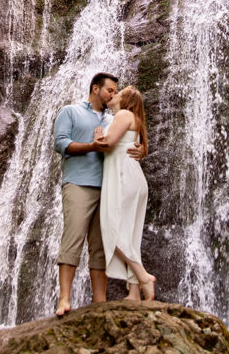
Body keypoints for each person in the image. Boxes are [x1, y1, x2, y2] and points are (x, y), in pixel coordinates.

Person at [53, 73, 143, 317]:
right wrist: (93, 146)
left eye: (116, 91)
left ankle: (99, 302)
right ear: (95, 89)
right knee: (72, 239)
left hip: (107, 186)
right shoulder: (70, 111)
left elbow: (132, 136)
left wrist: (142, 148)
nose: (113, 95)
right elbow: (61, 144)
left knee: (101, 247)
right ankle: (64, 299)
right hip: (78, 183)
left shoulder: (114, 117)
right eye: (110, 90)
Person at [95, 86, 155, 301]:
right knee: (130, 235)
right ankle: (134, 292)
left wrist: (99, 137)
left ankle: (143, 277)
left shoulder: (123, 114)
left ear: (126, 100)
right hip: (134, 177)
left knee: (112, 230)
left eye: (119, 93)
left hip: (122, 177)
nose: (114, 94)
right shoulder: (134, 118)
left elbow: (108, 145)